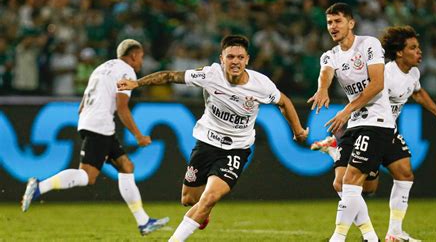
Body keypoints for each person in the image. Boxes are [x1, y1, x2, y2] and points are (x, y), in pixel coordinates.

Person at [117, 35, 309, 242]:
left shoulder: (261, 85)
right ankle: (203, 213)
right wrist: (136, 83)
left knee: (210, 197)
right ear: (222, 59)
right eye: (230, 56)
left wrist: (298, 131)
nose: (235, 61)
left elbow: (285, 102)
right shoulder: (210, 75)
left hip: (236, 149)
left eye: (240, 57)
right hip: (206, 143)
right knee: (189, 199)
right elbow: (170, 76)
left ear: (247, 60)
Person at [311, 25, 436, 242]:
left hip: (388, 129)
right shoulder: (385, 72)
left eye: (418, 47)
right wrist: (346, 119)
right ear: (399, 52)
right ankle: (337, 148)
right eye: (413, 48)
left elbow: (418, 92)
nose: (419, 52)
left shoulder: (413, 73)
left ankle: (395, 232)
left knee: (404, 174)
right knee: (362, 188)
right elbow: (365, 95)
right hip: (370, 127)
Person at [21, 39, 169, 236]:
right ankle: (39, 186)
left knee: (126, 166)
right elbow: (122, 106)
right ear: (133, 55)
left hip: (92, 121)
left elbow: (83, 103)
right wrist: (138, 135)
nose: (141, 61)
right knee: (87, 176)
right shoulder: (127, 71)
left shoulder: (102, 67)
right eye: (141, 57)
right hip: (100, 124)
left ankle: (144, 222)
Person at [307, 3, 394, 242]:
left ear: (351, 23)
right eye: (329, 23)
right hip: (355, 122)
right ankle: (371, 237)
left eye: (338, 21)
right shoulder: (331, 54)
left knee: (354, 182)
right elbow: (326, 73)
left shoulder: (368, 44)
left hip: (377, 120)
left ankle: (337, 237)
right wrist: (322, 89)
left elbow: (377, 85)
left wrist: (345, 111)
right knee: (340, 184)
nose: (332, 27)